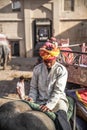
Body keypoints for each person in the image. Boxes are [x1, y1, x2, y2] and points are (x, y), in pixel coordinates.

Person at [27, 42, 71, 130]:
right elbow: (33, 87)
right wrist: (31, 98)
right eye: (46, 61)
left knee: (62, 122)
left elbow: (57, 91)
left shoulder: (61, 70)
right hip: (39, 100)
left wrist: (49, 105)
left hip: (57, 102)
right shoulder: (37, 69)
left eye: (50, 61)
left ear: (55, 58)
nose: (48, 64)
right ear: (43, 59)